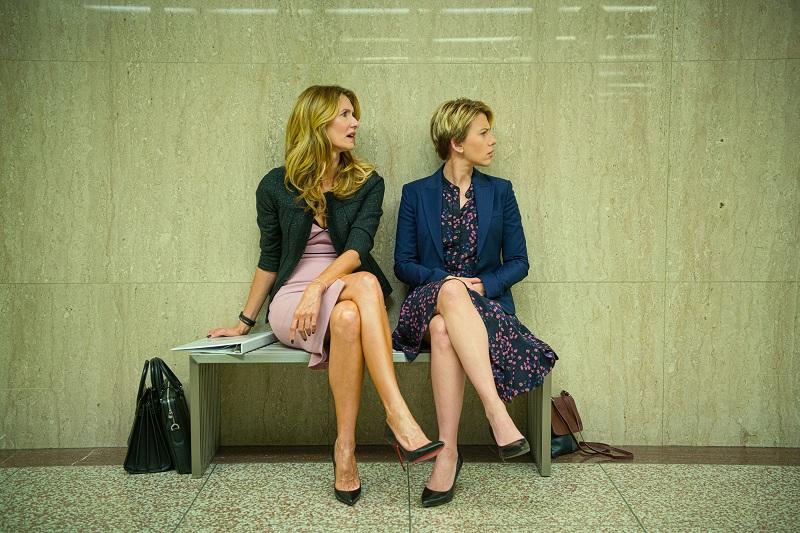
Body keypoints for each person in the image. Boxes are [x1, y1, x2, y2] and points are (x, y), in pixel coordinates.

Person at [209, 85, 443, 506]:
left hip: (342, 290)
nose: (356, 123)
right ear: (317, 123)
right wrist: (243, 323)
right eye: (345, 114)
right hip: (293, 301)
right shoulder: (275, 185)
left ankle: (345, 450)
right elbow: (270, 258)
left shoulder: (367, 182)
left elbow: (358, 248)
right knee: (366, 285)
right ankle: (398, 415)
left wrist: (320, 287)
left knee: (350, 314)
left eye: (355, 114)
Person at [392, 98, 557, 507]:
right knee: (448, 296)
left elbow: (519, 262)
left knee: (444, 330)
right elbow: (403, 263)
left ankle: (447, 454)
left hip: (484, 310)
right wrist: (448, 283)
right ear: (457, 142)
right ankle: (495, 411)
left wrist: (482, 285)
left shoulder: (501, 192)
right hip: (427, 302)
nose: (493, 140)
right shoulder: (416, 194)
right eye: (483, 132)